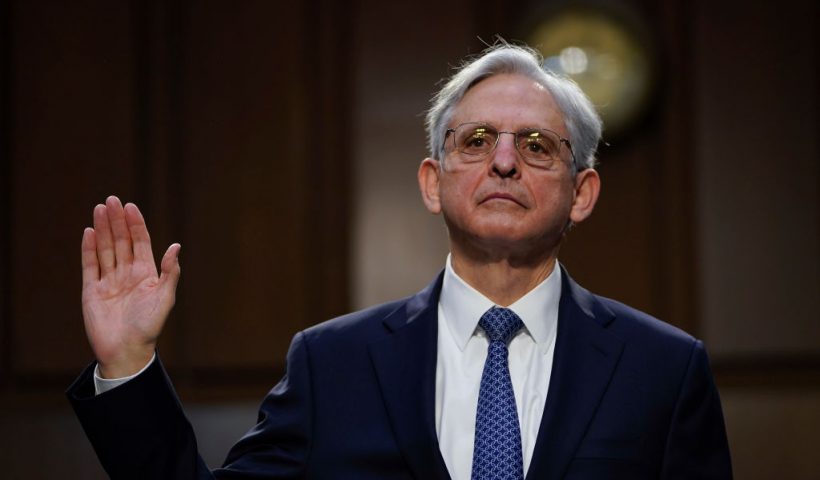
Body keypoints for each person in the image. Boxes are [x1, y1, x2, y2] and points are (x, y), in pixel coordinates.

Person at [68, 44, 733, 479]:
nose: (504, 160)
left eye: (535, 145)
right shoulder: (333, 365)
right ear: (432, 182)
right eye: (475, 140)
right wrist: (127, 365)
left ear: (582, 193)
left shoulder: (664, 371)